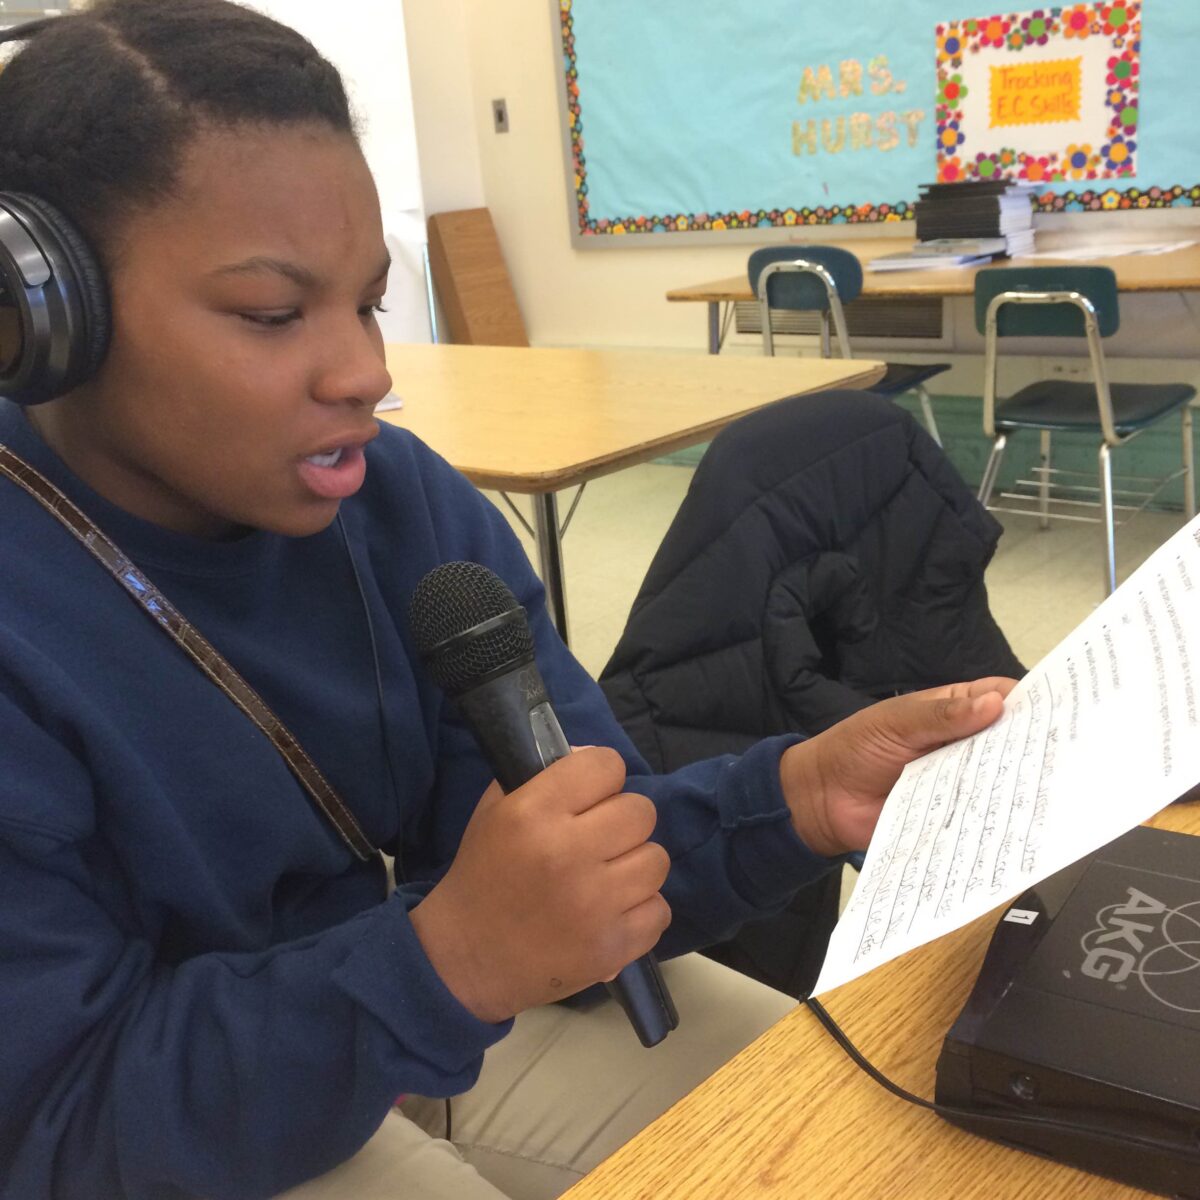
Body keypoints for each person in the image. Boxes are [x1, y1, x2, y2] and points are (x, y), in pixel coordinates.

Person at [0, 3, 1015, 1198]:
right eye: (272, 316)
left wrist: (792, 798)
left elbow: (575, 858)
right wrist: (448, 962)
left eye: (370, 304)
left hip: (395, 1000)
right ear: (42, 322)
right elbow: (55, 1126)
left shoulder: (401, 507)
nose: (365, 372)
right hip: (156, 1106)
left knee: (868, 1140)